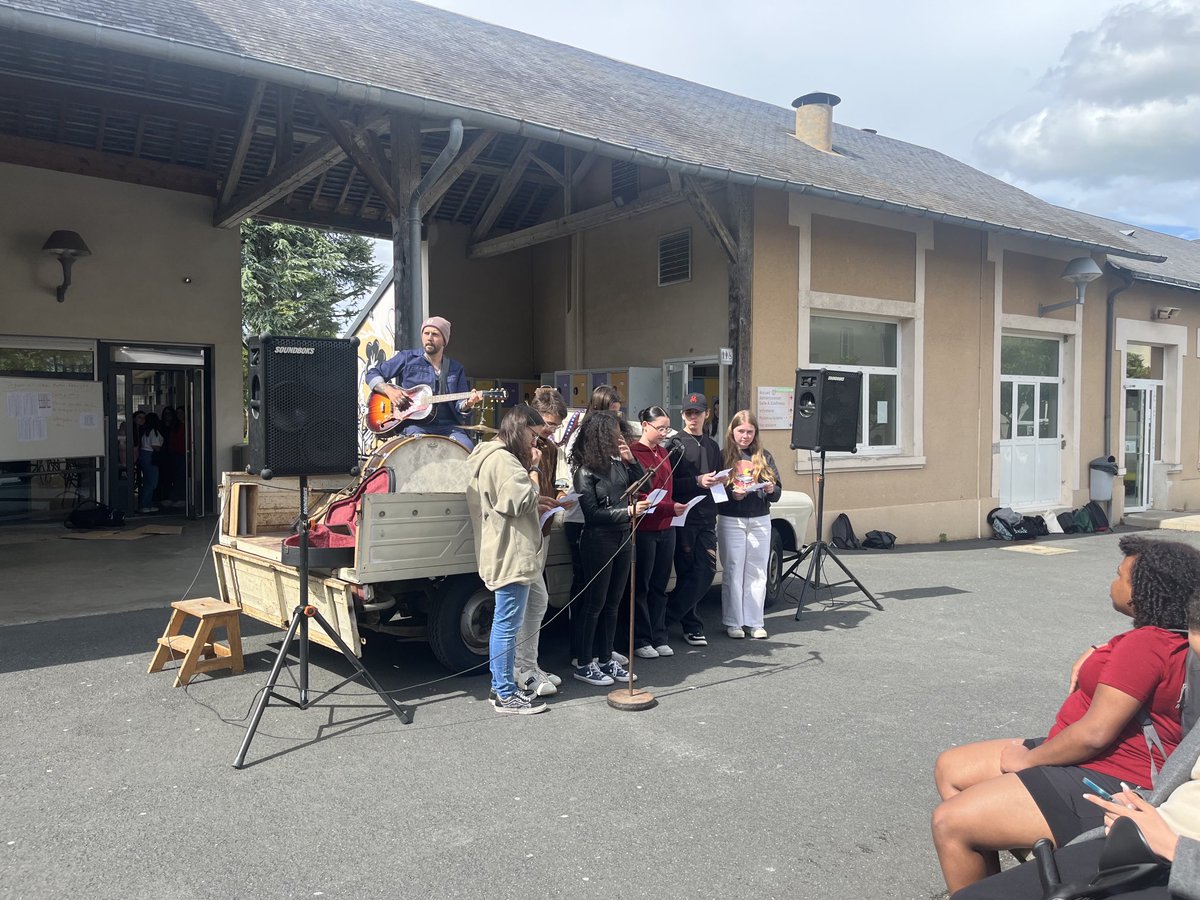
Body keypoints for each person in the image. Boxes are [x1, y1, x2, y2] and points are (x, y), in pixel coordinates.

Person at [932, 536, 1200, 894]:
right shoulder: (1165, 637)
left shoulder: (1145, 645)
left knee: (949, 822)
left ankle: (1001, 863)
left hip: (1109, 772)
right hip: (1094, 755)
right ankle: (1008, 873)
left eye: (1120, 577)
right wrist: (1099, 648)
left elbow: (1095, 734)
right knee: (952, 767)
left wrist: (1028, 760)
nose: (1112, 583)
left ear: (1141, 591)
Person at [464, 404, 550, 715]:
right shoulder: (505, 460)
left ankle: (500, 687)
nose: (535, 444)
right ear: (521, 429)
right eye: (534, 436)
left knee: (506, 621)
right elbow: (517, 501)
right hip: (511, 552)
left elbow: (508, 500)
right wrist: (535, 471)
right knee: (506, 624)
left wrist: (536, 497)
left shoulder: (491, 455)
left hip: (502, 547)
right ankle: (504, 693)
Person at [570, 410, 648, 686]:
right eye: (614, 432)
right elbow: (591, 514)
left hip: (623, 536)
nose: (620, 436)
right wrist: (628, 511)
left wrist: (632, 461)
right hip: (598, 540)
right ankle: (584, 662)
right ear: (602, 437)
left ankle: (605, 659)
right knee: (595, 604)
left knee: (614, 603)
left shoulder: (619, 465)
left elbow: (646, 485)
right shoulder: (585, 472)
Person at [513, 387, 572, 698]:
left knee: (535, 603)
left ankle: (529, 664)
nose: (551, 431)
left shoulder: (550, 448)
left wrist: (562, 499)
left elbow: (554, 484)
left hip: (542, 531)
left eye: (556, 425)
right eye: (547, 424)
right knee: (531, 603)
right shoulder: (518, 448)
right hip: (522, 535)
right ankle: (522, 667)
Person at [364, 316, 482, 449]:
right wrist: (389, 391)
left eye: (435, 334)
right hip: (415, 425)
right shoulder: (407, 358)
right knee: (418, 449)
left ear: (444, 340)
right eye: (426, 333)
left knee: (467, 448)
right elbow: (372, 374)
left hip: (448, 426)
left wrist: (468, 403)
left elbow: (459, 406)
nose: (429, 338)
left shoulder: (456, 368)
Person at [665, 392, 726, 647]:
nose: (693, 418)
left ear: (706, 415)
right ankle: (691, 624)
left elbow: (718, 479)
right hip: (683, 517)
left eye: (697, 413)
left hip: (707, 516)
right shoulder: (674, 444)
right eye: (689, 413)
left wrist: (722, 482)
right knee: (688, 571)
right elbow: (668, 484)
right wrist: (696, 481)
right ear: (682, 415)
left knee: (706, 570)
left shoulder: (712, 445)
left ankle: (667, 617)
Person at [628, 405, 687, 659]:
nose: (664, 433)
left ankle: (658, 634)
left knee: (660, 585)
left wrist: (673, 508)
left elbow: (668, 488)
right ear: (644, 425)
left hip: (667, 526)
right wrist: (668, 507)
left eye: (666, 428)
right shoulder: (633, 453)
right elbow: (639, 492)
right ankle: (641, 638)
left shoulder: (665, 451)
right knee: (642, 583)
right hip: (644, 526)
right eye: (659, 428)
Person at [716, 410, 782, 640]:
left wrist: (771, 489)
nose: (745, 436)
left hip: (760, 519)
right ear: (732, 432)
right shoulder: (723, 455)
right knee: (734, 569)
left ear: (756, 433)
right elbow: (715, 491)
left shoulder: (764, 457)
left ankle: (754, 621)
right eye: (741, 431)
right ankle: (733, 622)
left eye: (749, 432)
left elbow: (778, 492)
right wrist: (732, 495)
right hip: (731, 519)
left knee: (757, 571)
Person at [137, 412, 165, 513]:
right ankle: (145, 504)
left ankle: (146, 504)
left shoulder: (145, 431)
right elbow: (156, 446)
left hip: (144, 455)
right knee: (152, 482)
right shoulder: (154, 432)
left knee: (147, 481)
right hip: (151, 456)